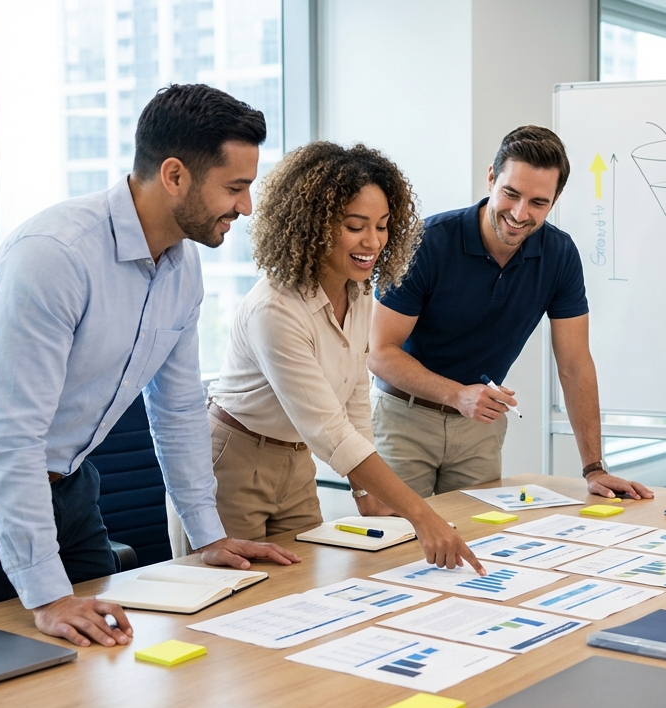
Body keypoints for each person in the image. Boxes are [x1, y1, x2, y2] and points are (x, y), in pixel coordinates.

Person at [0, 84, 301, 648]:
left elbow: (179, 408)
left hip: (68, 479)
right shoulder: (55, 255)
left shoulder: (182, 266)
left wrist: (208, 536)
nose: (247, 206)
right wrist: (48, 596)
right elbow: (12, 434)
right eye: (235, 187)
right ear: (175, 175)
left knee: (103, 645)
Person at [203, 141, 483, 572]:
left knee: (300, 585)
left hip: (296, 460)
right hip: (235, 461)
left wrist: (365, 490)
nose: (373, 241)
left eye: (383, 226)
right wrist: (422, 515)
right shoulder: (275, 308)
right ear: (314, 225)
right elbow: (329, 429)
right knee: (241, 593)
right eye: (355, 226)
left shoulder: (360, 292)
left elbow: (353, 397)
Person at [368, 125, 651, 500]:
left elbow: (575, 364)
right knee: (400, 532)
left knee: (477, 532)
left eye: (538, 203)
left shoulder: (560, 255)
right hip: (403, 417)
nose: (519, 213)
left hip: (479, 429)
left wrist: (594, 468)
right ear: (491, 178)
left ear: (556, 199)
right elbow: (379, 352)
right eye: (511, 194)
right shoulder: (427, 242)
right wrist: (457, 395)